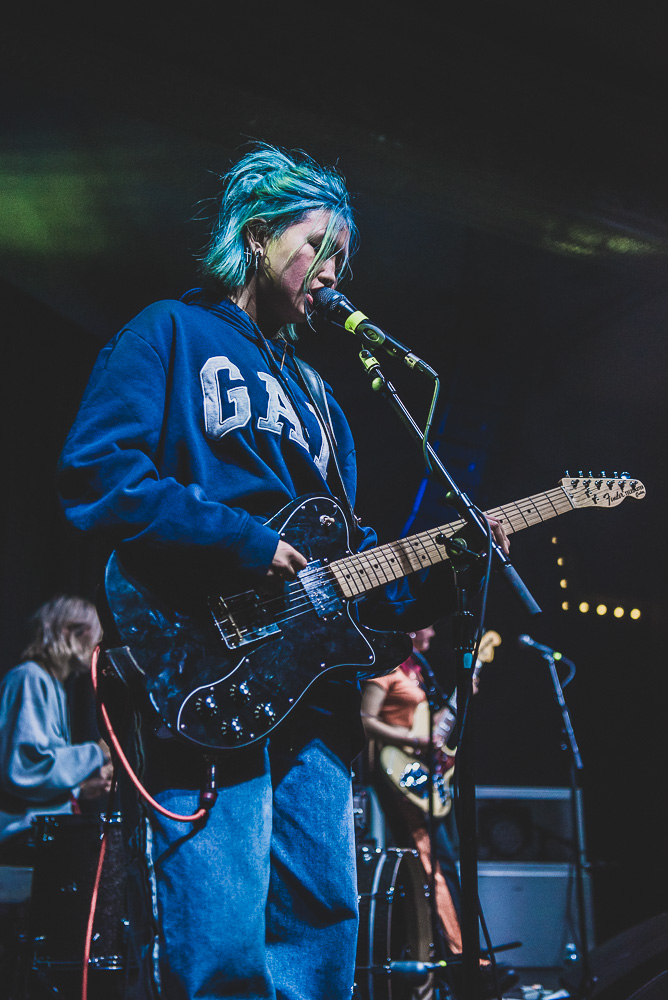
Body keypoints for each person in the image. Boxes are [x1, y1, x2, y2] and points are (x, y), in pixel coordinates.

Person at [56, 143, 509, 1000]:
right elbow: (97, 476)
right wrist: (245, 543)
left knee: (323, 924)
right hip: (206, 655)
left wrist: (450, 568)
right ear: (257, 237)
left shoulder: (323, 398)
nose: (330, 272)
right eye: (315, 248)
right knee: (222, 933)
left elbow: (352, 566)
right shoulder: (169, 333)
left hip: (311, 692)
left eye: (342, 257)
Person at [361, 627, 517, 998]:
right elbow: (365, 720)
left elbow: (434, 728)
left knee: (445, 863)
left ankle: (464, 958)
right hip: (401, 774)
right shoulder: (385, 669)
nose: (433, 630)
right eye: (427, 625)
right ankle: (461, 959)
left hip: (426, 777)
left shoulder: (418, 668)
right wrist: (413, 739)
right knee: (432, 866)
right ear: (409, 630)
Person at [0, 596, 112, 863]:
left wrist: (78, 790)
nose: (99, 644)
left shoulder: (51, 684)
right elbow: (27, 769)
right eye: (95, 634)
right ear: (70, 632)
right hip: (22, 837)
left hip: (36, 831)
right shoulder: (30, 677)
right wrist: (97, 752)